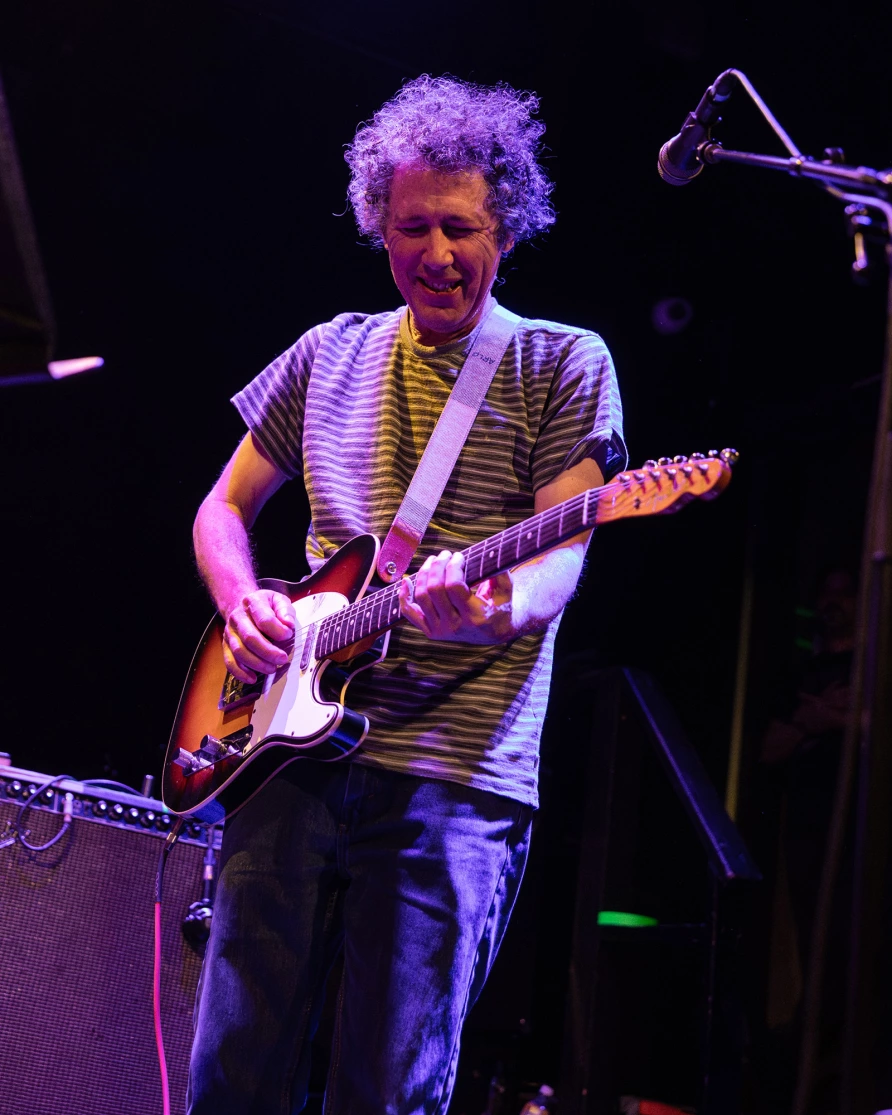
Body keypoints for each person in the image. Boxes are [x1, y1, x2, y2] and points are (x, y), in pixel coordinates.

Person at [186, 74, 626, 1114]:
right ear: (376, 225)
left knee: (387, 1089)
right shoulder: (327, 350)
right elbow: (220, 508)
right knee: (233, 1079)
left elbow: (565, 554)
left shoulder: (563, 363)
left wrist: (491, 606)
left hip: (453, 778)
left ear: (505, 229)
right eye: (411, 226)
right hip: (282, 760)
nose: (436, 253)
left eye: (461, 228)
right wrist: (244, 601)